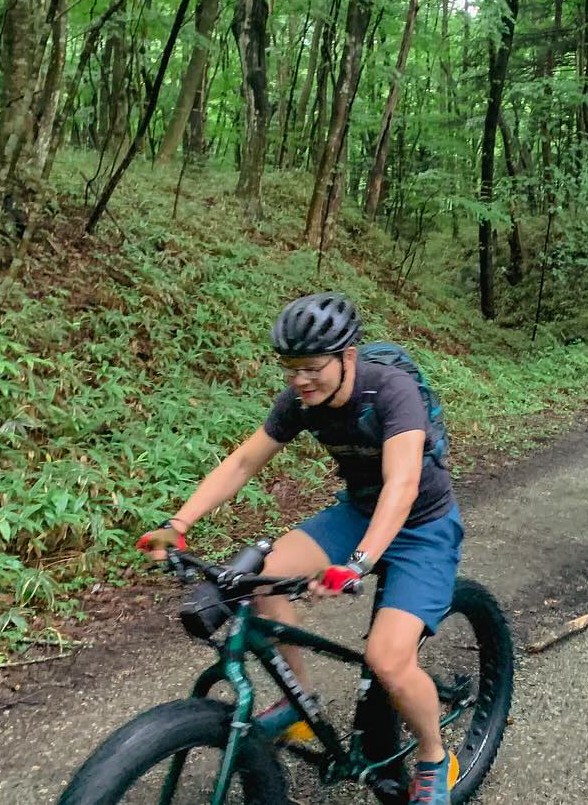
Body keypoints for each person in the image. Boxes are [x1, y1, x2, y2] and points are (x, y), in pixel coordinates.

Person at [136, 292, 463, 804]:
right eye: (290, 368)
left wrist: (355, 564)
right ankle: (299, 701)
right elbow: (244, 463)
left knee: (388, 660)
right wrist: (177, 524)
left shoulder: (391, 390)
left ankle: (433, 757)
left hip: (422, 526)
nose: (299, 380)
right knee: (259, 577)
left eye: (311, 368)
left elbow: (401, 487)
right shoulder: (300, 400)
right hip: (357, 512)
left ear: (347, 357)